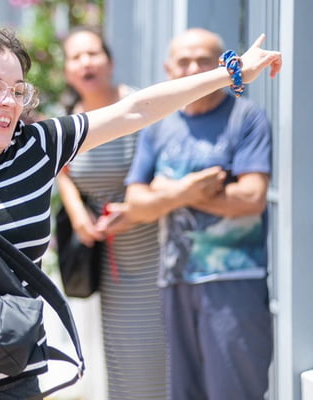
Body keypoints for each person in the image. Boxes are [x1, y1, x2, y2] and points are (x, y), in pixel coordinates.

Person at [0, 26, 281, 399]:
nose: (8, 101)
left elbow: (137, 109)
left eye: (17, 89)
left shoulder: (37, 147)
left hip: (14, 374)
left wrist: (232, 72)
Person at [124, 28, 274, 400]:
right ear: (168, 69)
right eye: (184, 61)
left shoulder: (246, 117)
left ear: (223, 65)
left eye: (205, 60)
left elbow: (252, 197)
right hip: (175, 279)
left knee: (235, 391)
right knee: (184, 392)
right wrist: (191, 190)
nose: (194, 68)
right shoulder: (158, 125)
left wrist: (167, 190)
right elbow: (136, 203)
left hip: (234, 277)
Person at [55, 26, 167, 399]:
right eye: (76, 56)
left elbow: (162, 171)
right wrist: (76, 214)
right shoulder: (67, 118)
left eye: (93, 53)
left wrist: (134, 212)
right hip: (106, 255)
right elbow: (61, 172)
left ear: (110, 60)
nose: (86, 62)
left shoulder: (137, 107)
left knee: (159, 353)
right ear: (68, 70)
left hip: (153, 246)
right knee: (120, 358)